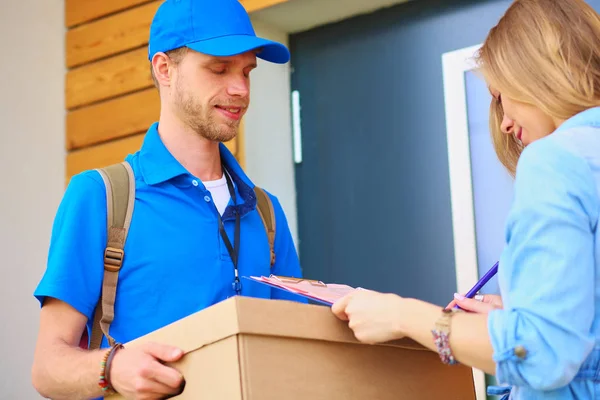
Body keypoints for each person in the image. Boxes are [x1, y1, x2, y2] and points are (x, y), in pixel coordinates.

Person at [31, 0, 304, 399]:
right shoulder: (100, 197)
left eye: (247, 72)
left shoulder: (267, 213)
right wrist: (113, 367)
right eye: (219, 68)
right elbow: (47, 369)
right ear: (164, 69)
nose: (240, 89)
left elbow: (294, 353)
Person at [332, 0, 600, 398]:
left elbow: (542, 354)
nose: (505, 123)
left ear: (535, 73)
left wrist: (402, 315)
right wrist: (512, 324)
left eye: (500, 95)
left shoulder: (555, 161)